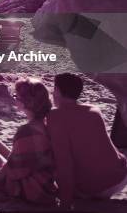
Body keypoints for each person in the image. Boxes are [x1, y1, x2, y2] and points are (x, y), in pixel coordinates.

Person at [47, 73, 127, 209]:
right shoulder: (93, 110)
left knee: (49, 159)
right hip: (119, 180)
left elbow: (64, 162)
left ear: (57, 91)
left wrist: (65, 204)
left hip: (90, 190)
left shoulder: (55, 116)